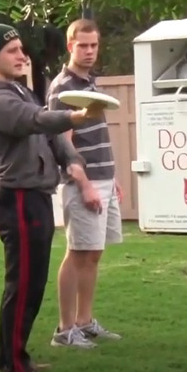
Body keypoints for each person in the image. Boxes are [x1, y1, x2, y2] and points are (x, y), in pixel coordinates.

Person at [0, 23, 104, 372]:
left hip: (35, 198)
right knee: (22, 285)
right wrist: (74, 116)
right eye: (12, 50)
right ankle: (15, 371)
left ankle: (14, 358)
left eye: (21, 48)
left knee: (32, 285)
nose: (22, 55)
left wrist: (71, 158)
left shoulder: (17, 90)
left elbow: (50, 134)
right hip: (17, 199)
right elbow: (34, 120)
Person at [46, 18, 123, 349]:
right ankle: (64, 331)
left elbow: (95, 136)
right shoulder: (63, 88)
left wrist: (110, 179)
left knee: (93, 254)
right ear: (70, 46)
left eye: (94, 45)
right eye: (83, 45)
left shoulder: (90, 83)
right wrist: (86, 184)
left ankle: (85, 322)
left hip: (104, 179)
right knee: (76, 254)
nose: (90, 51)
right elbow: (63, 142)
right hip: (83, 183)